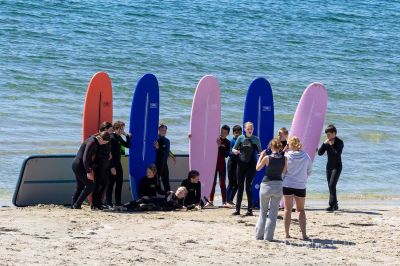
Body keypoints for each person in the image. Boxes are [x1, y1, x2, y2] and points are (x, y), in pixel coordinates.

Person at [255, 138, 287, 241]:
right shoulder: (284, 158)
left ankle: (259, 235)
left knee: (263, 212)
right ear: (279, 147)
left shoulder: (267, 158)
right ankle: (268, 237)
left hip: (266, 185)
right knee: (273, 214)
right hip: (278, 185)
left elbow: (258, 168)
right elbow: (284, 172)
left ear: (271, 146)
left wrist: (261, 157)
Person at [282, 136, 312, 240]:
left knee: (287, 210)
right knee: (301, 210)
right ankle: (304, 235)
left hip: (288, 185)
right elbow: (309, 172)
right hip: (300, 185)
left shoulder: (287, 156)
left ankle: (286, 234)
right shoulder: (306, 156)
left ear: (290, 144)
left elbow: (284, 171)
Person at [71, 131, 111, 209]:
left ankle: (73, 205)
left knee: (80, 186)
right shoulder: (92, 142)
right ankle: (77, 204)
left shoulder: (94, 139)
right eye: (104, 142)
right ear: (101, 139)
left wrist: (90, 167)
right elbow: (85, 158)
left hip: (77, 164)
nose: (104, 144)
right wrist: (88, 171)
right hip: (79, 165)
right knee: (90, 186)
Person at [232, 122, 262, 216]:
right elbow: (233, 149)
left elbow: (260, 152)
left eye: (251, 128)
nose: (250, 129)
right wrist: (235, 151)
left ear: (253, 129)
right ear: (244, 129)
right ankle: (237, 210)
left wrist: (260, 155)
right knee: (240, 187)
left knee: (248, 186)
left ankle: (250, 210)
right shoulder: (240, 138)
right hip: (240, 165)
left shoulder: (256, 139)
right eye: (248, 128)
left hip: (251, 166)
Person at [318, 124, 344, 211]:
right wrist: (324, 144)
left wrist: (332, 145)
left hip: (337, 167)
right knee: (331, 186)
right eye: (326, 134)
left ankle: (331, 205)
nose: (327, 136)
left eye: (329, 134)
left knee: (332, 185)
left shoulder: (340, 142)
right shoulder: (327, 142)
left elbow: (337, 154)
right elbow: (320, 153)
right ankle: (335, 204)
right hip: (329, 167)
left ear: (334, 133)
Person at [105, 121, 131, 210]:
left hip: (118, 164)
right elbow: (110, 153)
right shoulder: (111, 138)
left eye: (123, 128)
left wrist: (126, 135)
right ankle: (108, 203)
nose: (122, 130)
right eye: (121, 129)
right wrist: (112, 167)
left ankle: (118, 203)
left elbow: (128, 145)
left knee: (119, 183)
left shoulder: (119, 137)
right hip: (111, 165)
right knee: (110, 184)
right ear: (116, 128)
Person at [206, 125, 231, 207]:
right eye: (222, 131)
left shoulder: (227, 142)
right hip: (213, 164)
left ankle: (224, 202)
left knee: (222, 183)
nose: (222, 133)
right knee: (212, 183)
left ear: (227, 134)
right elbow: (208, 148)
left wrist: (220, 146)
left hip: (221, 164)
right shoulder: (215, 139)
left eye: (225, 132)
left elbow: (226, 155)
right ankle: (210, 201)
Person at [91, 122, 113, 210]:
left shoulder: (108, 138)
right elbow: (97, 152)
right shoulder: (99, 138)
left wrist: (109, 154)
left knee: (105, 183)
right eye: (110, 130)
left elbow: (108, 149)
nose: (112, 131)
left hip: (105, 164)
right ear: (105, 129)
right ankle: (94, 203)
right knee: (97, 184)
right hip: (99, 164)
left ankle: (99, 202)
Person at [154, 123, 175, 192]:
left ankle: (168, 199)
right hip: (155, 164)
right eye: (162, 130)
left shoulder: (167, 141)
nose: (164, 131)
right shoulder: (155, 139)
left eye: (165, 130)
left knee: (166, 183)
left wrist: (158, 148)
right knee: (156, 182)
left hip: (163, 164)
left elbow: (166, 152)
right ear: (158, 130)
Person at [226, 125, 242, 206]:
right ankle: (226, 200)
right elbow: (229, 153)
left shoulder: (242, 141)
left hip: (238, 165)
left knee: (237, 185)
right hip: (231, 164)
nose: (238, 134)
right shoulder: (232, 141)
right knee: (231, 183)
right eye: (236, 133)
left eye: (239, 132)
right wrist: (235, 152)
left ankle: (230, 200)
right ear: (233, 133)